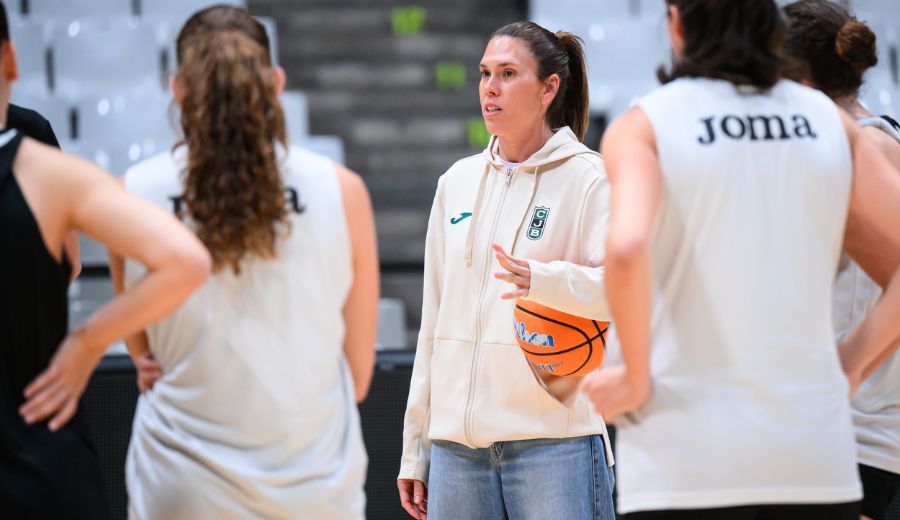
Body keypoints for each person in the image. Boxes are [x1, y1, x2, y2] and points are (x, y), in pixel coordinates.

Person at [581, 0, 900, 518]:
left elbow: (626, 248)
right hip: (813, 456)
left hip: (681, 460)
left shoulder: (645, 124)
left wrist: (635, 376)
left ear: (677, 24)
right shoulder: (828, 120)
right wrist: (852, 364)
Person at [110, 6, 379, 519]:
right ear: (274, 83)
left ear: (178, 88)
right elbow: (359, 376)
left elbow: (143, 355)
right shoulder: (342, 191)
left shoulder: (135, 193)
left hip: (180, 485)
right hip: (314, 487)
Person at [0, 0, 211, 515]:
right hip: (36, 453)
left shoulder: (37, 161)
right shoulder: (41, 170)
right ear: (11, 60)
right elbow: (184, 260)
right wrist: (87, 340)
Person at [398, 21, 615, 520]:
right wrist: (417, 444)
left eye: (508, 73)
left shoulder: (591, 179)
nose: (490, 88)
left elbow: (626, 289)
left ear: (548, 88)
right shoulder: (456, 182)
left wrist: (546, 281)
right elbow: (432, 323)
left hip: (553, 445)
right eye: (484, 73)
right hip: (457, 453)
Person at [783, 2, 900, 519]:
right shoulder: (846, 145)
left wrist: (846, 367)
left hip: (861, 436)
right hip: (830, 432)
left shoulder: (862, 150)